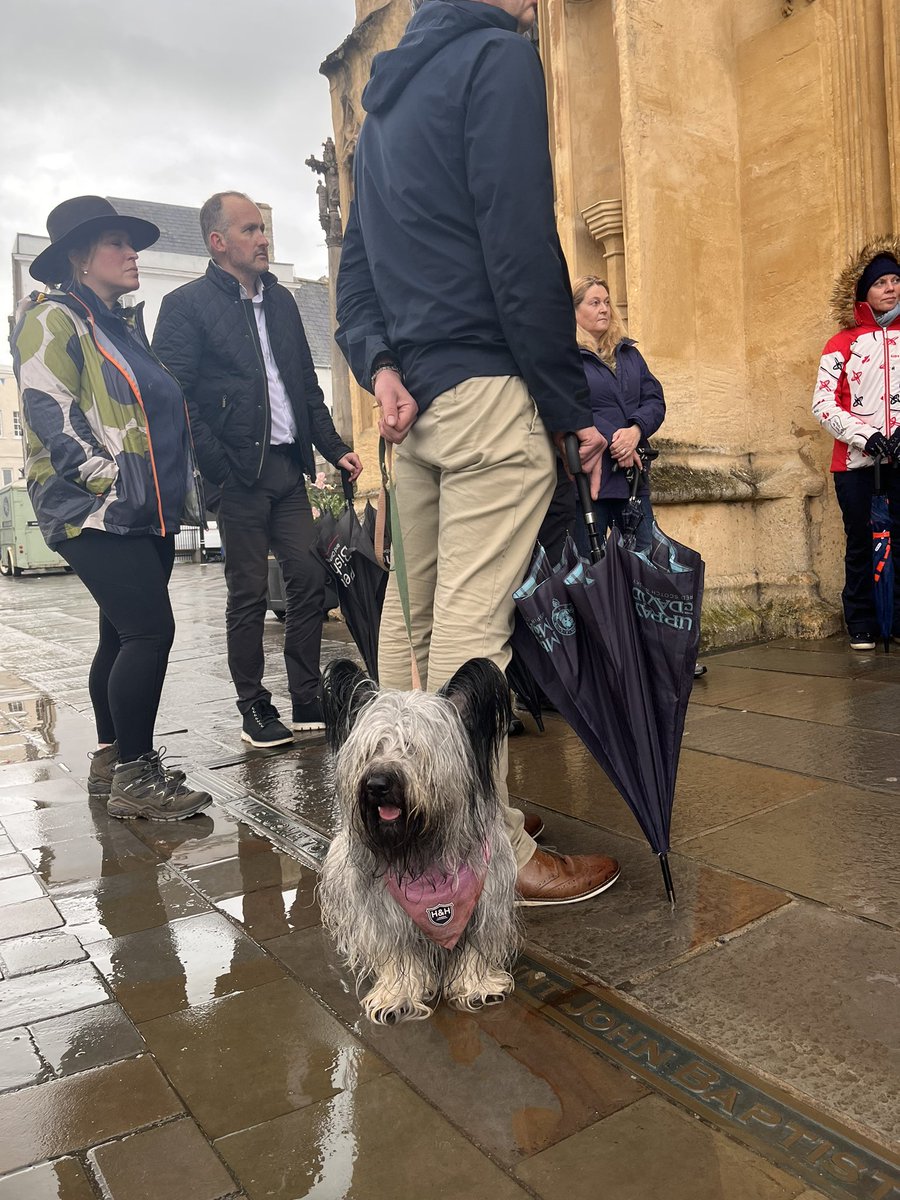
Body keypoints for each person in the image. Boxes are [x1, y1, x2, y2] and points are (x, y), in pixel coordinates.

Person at [335, 0, 619, 906]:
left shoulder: (381, 110)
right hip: (489, 387)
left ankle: (411, 817)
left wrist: (378, 363)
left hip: (411, 404)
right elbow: (520, 239)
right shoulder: (496, 55)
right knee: (470, 629)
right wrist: (567, 401)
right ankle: (486, 845)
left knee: (408, 625)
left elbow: (357, 271)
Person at [11, 195, 211, 820]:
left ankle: (111, 757)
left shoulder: (119, 324)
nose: (133, 254)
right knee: (151, 630)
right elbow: (53, 417)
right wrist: (116, 483)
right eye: (118, 244)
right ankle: (136, 774)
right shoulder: (53, 319)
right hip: (94, 506)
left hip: (143, 506)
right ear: (79, 257)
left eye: (133, 243)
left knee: (120, 632)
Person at [153, 192, 363, 747]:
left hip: (287, 470)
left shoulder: (285, 303)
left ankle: (307, 695)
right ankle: (254, 705)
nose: (263, 239)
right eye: (250, 230)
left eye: (263, 230)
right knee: (246, 592)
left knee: (309, 576)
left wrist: (333, 445)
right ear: (219, 242)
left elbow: (305, 388)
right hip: (236, 475)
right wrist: (219, 467)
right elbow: (177, 397)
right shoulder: (186, 306)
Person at [812, 239, 900, 651]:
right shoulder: (841, 343)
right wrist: (867, 436)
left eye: (896, 280)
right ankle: (862, 620)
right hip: (854, 462)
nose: (890, 288)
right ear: (863, 291)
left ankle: (896, 618)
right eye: (881, 282)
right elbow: (822, 403)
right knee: (861, 540)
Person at [572, 276, 665, 554]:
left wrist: (635, 430)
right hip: (591, 479)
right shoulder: (568, 357)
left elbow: (654, 400)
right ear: (574, 311)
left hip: (632, 478)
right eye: (595, 302)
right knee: (591, 567)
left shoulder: (629, 354)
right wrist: (618, 441)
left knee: (645, 563)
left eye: (607, 303)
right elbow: (574, 404)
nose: (604, 309)